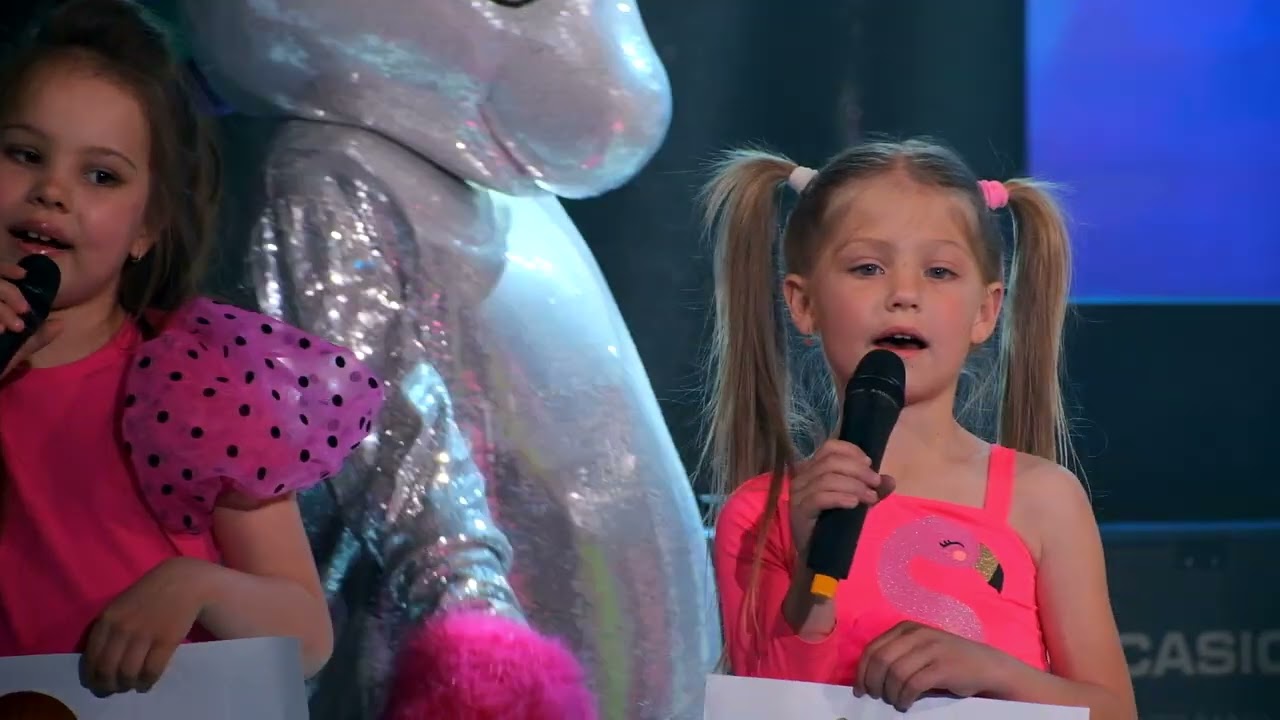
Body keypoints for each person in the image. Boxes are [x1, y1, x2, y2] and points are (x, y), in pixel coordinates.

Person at [0, 0, 382, 697]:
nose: (52, 191)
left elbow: (308, 636)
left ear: (148, 226)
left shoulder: (195, 381)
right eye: (25, 155)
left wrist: (195, 586)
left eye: (101, 176)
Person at [704, 140, 1136, 718]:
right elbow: (768, 701)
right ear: (804, 304)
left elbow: (1113, 710)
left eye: (939, 271)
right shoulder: (761, 513)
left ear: (985, 311)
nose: (904, 295)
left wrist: (997, 674)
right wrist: (811, 572)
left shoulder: (1044, 500)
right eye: (867, 268)